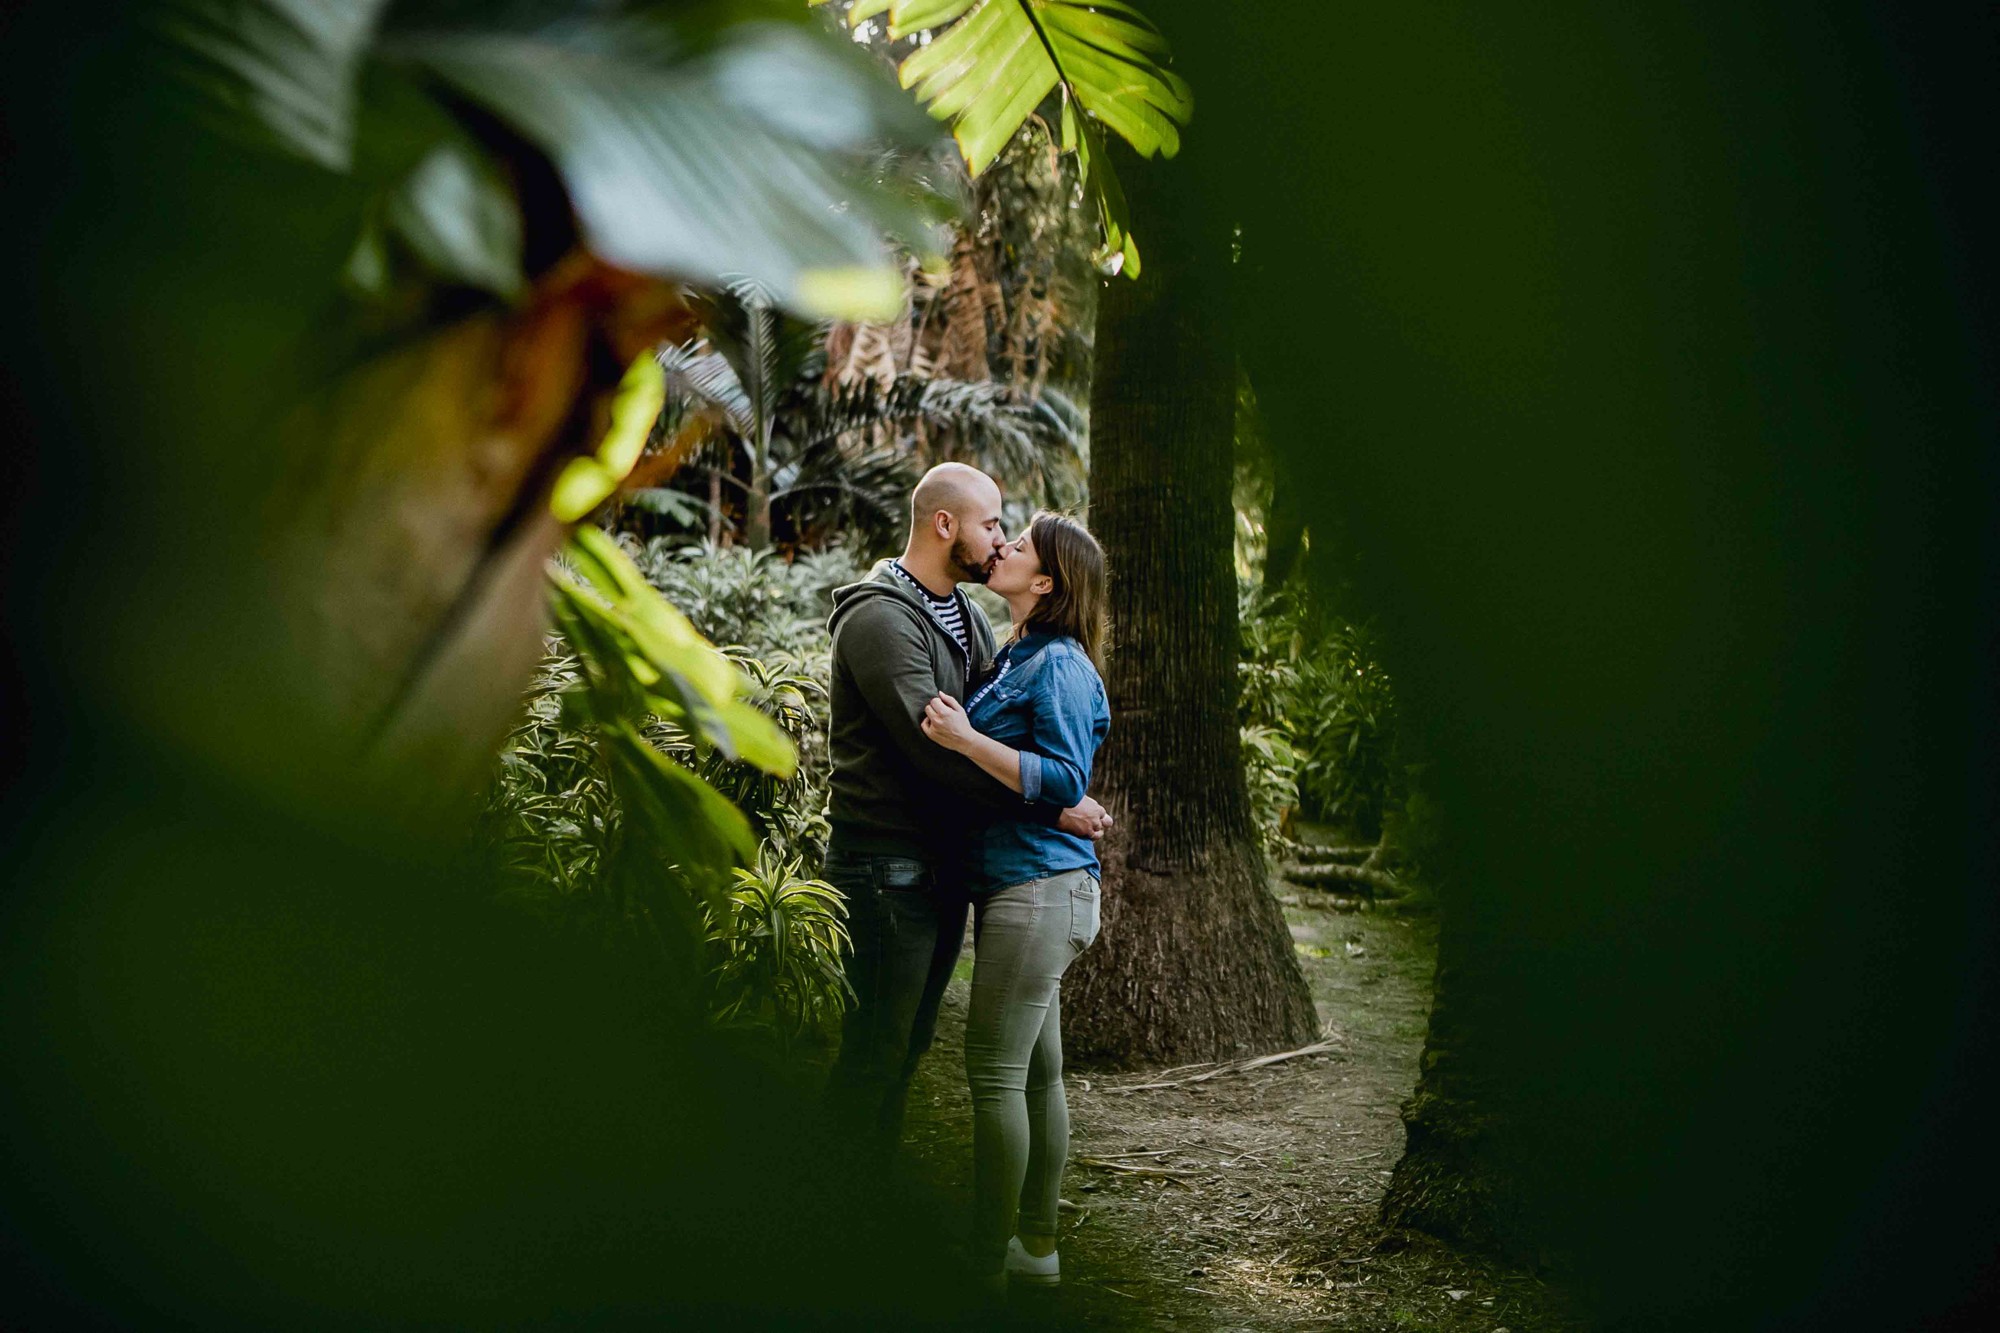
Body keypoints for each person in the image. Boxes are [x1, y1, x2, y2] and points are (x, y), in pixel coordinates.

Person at [821, 465, 1110, 1168]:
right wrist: (1054, 802)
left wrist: (1047, 787)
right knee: (876, 1050)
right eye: (990, 524)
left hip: (940, 867)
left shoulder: (972, 621)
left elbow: (994, 737)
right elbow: (936, 752)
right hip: (886, 866)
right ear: (944, 525)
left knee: (908, 1047)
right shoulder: (881, 616)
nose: (999, 539)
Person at [919, 512, 1111, 1293]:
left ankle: (980, 1260)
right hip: (1033, 886)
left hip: (1038, 890)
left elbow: (1064, 777)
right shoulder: (1018, 655)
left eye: (1020, 545)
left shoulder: (1057, 662)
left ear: (1046, 583)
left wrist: (965, 741)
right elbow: (1044, 784)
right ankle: (1035, 1247)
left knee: (996, 1074)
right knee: (1036, 1075)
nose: (1002, 547)